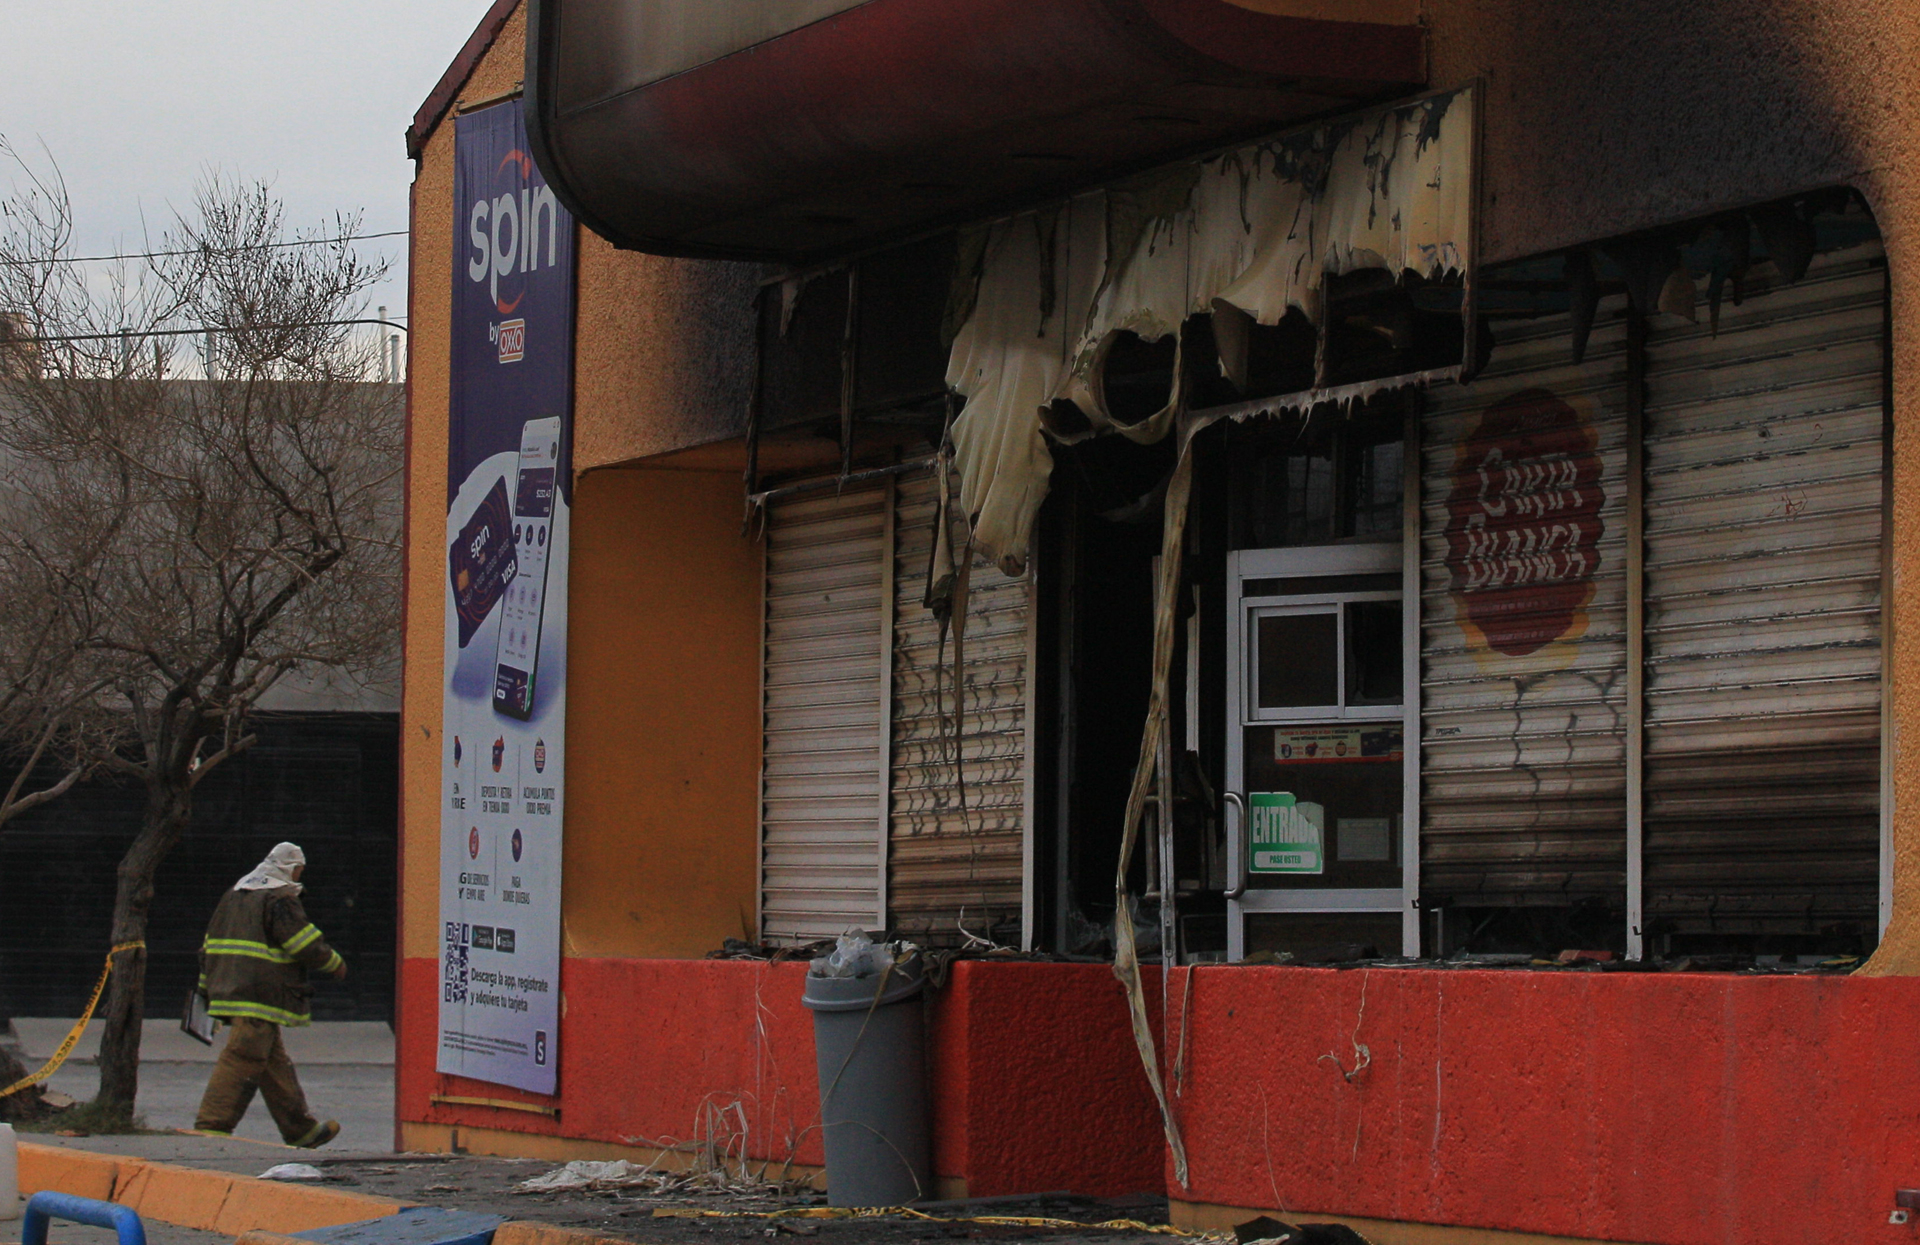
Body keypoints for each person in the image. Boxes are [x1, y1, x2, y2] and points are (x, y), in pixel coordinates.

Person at [192, 841, 346, 1148]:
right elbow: (302, 942)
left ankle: (300, 1130)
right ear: (291, 868)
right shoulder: (279, 898)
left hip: (230, 986)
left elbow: (208, 945)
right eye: (300, 869)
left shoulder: (234, 894)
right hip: (258, 993)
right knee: (243, 1056)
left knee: (273, 1064)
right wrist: (334, 963)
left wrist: (206, 988)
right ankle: (211, 1125)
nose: (301, 875)